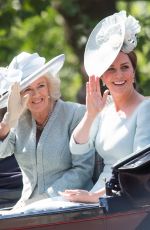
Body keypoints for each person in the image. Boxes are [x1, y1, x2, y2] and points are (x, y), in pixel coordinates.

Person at [60, 11, 150, 203]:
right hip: (99, 194)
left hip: (126, 200)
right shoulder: (105, 109)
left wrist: (94, 196)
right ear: (102, 76)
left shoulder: (145, 108)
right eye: (111, 69)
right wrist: (91, 114)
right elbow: (77, 149)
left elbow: (140, 170)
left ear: (133, 72)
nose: (119, 75)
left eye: (125, 67)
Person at [0, 52, 95, 209]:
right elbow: (2, 152)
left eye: (41, 86)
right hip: (26, 206)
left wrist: (44, 199)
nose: (36, 94)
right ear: (19, 95)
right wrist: (8, 121)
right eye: (27, 89)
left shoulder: (75, 114)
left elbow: (83, 170)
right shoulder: (18, 119)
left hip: (71, 205)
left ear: (50, 86)